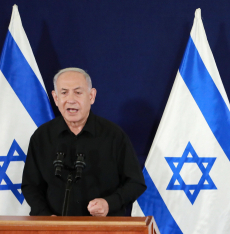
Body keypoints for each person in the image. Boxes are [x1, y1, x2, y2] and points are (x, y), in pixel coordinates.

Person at [22, 68, 146, 216]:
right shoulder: (42, 136)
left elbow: (136, 183)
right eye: (64, 93)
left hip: (103, 227)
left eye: (78, 92)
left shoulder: (114, 136)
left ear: (91, 96)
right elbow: (30, 186)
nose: (71, 99)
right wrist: (46, 217)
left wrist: (109, 203)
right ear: (55, 98)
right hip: (54, 228)